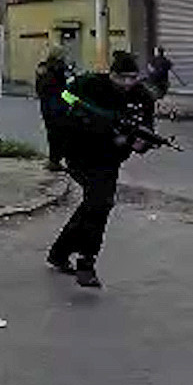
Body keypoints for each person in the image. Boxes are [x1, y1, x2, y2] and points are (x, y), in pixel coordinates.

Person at [45, 51, 158, 289]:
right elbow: (63, 104)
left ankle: (60, 252)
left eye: (132, 78)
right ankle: (86, 263)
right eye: (121, 78)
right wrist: (94, 124)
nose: (127, 84)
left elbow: (146, 127)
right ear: (112, 75)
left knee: (96, 204)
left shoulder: (142, 96)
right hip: (80, 153)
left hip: (110, 159)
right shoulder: (91, 84)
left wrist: (142, 144)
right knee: (99, 203)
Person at [33, 49, 72, 172]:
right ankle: (62, 160)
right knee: (64, 134)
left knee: (52, 134)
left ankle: (54, 160)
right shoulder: (61, 69)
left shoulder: (42, 68)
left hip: (46, 105)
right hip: (60, 105)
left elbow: (38, 87)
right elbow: (67, 87)